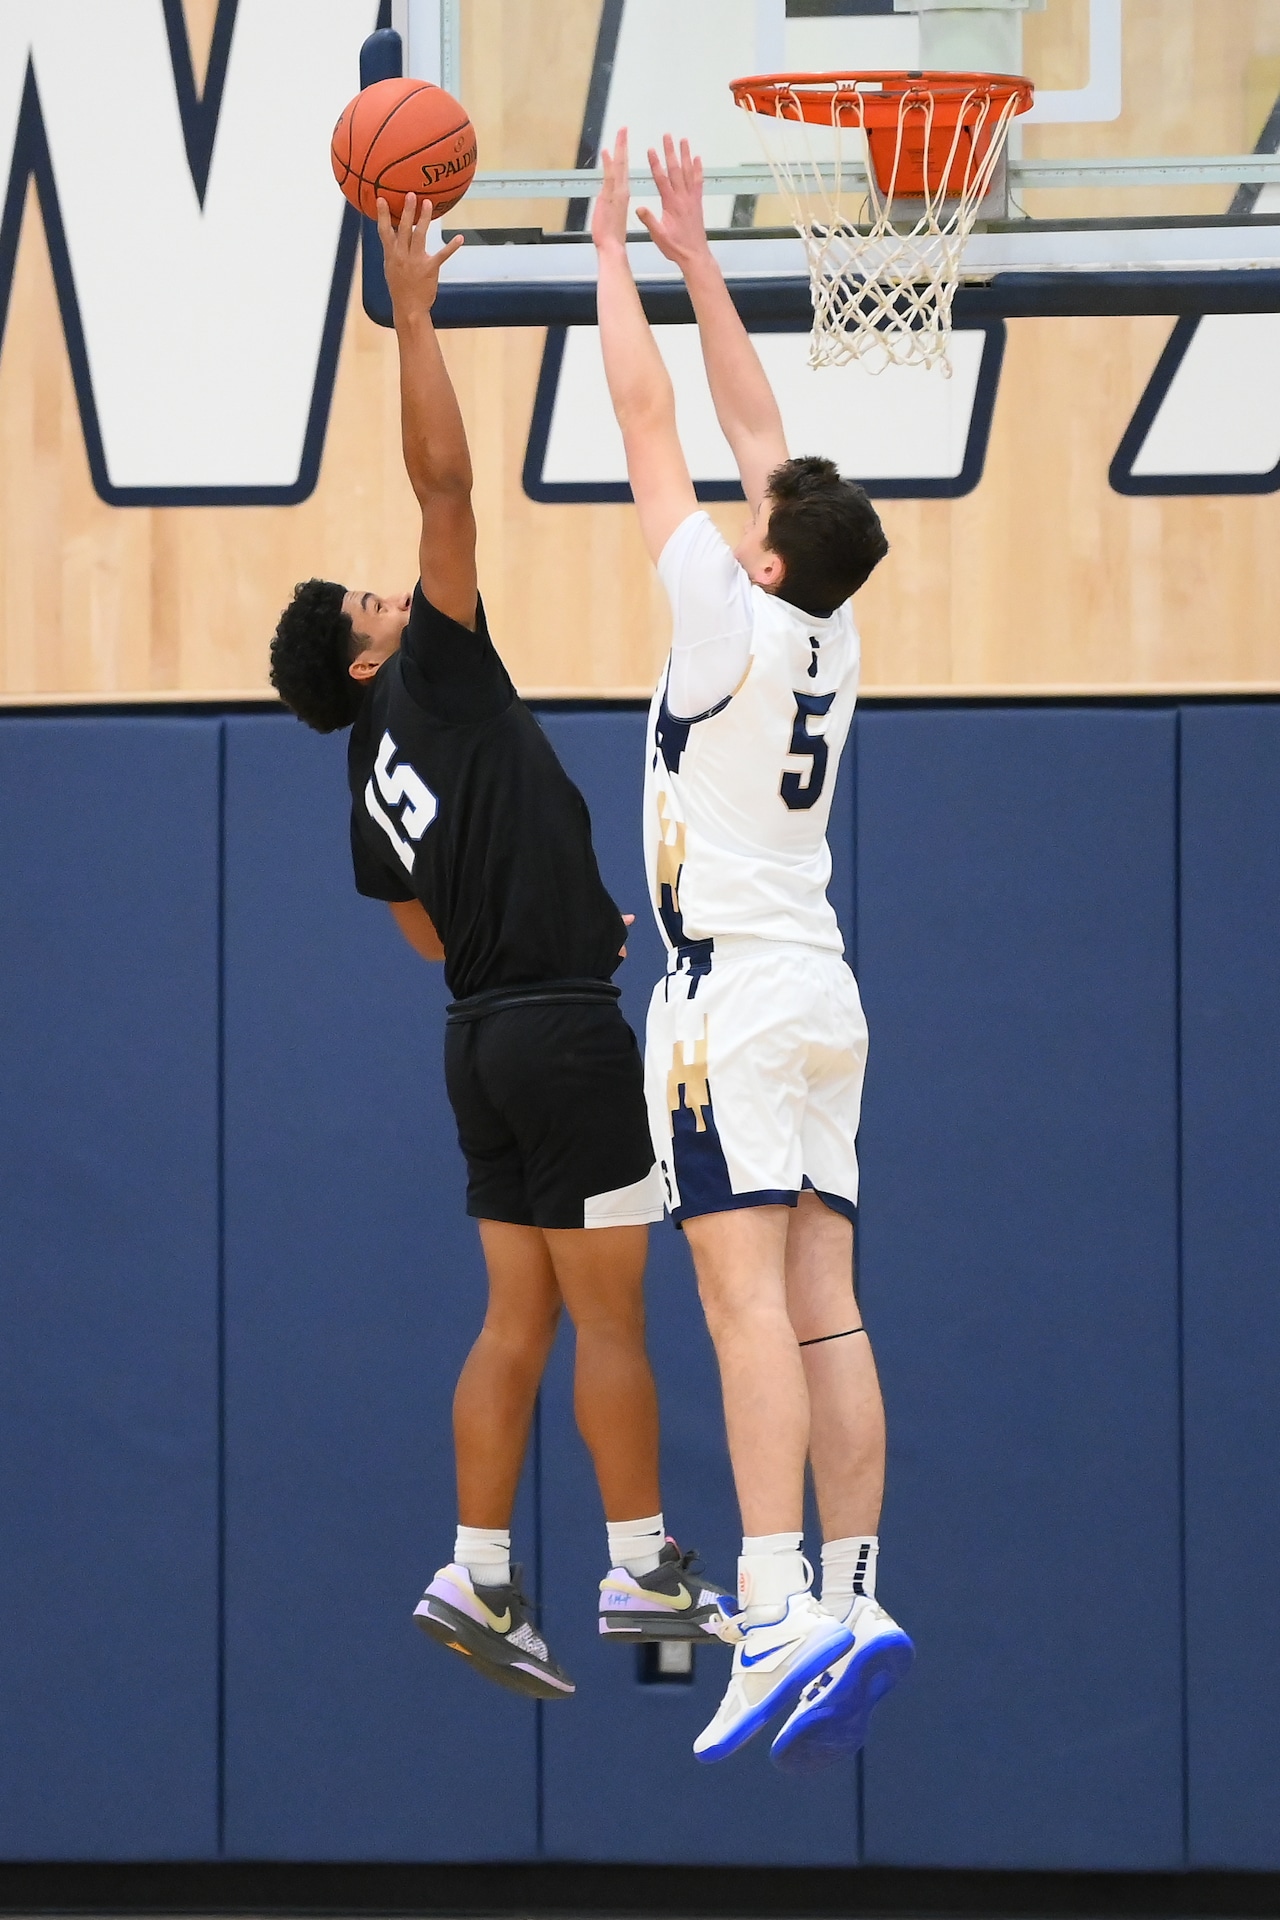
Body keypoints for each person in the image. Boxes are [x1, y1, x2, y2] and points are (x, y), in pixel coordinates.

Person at [268, 191, 728, 1704]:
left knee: (514, 1315)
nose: (397, 588)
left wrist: (530, 920)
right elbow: (449, 482)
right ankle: (649, 1578)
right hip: (560, 1030)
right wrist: (411, 310)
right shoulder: (440, 675)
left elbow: (417, 929)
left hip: (477, 1042)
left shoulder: (364, 782)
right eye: (373, 600)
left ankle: (477, 1571)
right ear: (366, 653)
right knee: (612, 1318)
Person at [591, 132, 914, 1770]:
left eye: (762, 512)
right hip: (826, 991)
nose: (746, 496)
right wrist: (703, 256)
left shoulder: (724, 610)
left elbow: (658, 423)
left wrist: (612, 261)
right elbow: (760, 434)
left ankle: (778, 1604)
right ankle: (854, 1589)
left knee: (736, 1312)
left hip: (725, 996)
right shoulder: (833, 619)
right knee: (826, 1308)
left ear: (771, 554)